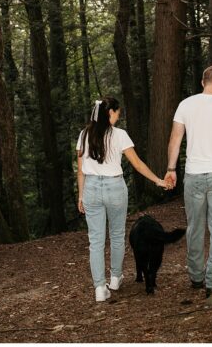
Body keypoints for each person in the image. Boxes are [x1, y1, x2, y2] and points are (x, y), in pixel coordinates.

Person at [163, 65, 212, 298]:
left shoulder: (185, 105)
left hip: (194, 174)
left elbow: (175, 139)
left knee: (195, 227)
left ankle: (197, 277)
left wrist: (171, 169)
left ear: (202, 82)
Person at [77, 95, 167, 302]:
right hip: (115, 188)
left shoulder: (84, 135)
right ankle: (115, 278)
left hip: (91, 188)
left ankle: (100, 288)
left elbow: (80, 171)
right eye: (118, 112)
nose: (119, 116)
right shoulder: (120, 135)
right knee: (117, 235)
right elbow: (137, 164)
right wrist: (158, 180)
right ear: (110, 113)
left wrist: (81, 195)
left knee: (96, 241)